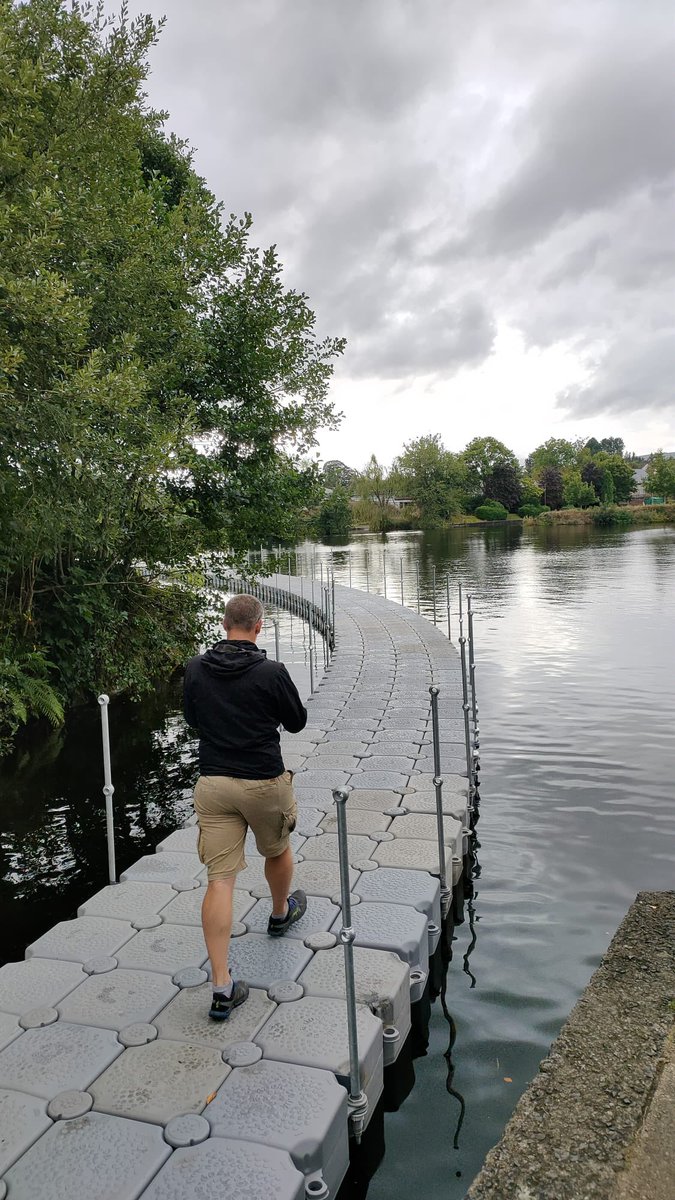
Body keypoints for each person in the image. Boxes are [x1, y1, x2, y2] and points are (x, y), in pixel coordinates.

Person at [183, 593, 308, 1020]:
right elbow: (296, 722)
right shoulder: (271, 672)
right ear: (258, 627)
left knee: (219, 880)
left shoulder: (196, 669)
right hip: (262, 782)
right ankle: (278, 913)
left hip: (214, 783)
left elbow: (192, 719)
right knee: (276, 849)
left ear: (223, 624)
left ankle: (222, 986)